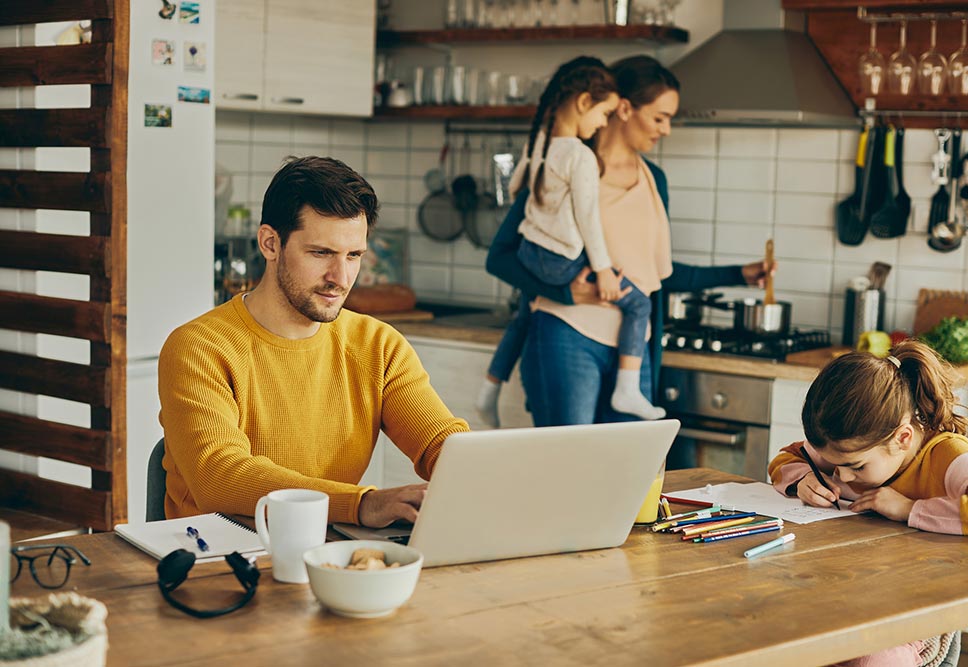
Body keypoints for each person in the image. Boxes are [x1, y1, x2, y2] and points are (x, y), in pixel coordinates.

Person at [158, 156, 468, 527]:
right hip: (217, 560)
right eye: (321, 253)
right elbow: (219, 475)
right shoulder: (198, 348)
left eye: (354, 255)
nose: (341, 277)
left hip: (327, 552)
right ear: (271, 244)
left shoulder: (378, 345)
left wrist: (484, 471)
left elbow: (440, 443)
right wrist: (360, 504)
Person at [484, 55, 772, 430]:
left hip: (632, 355)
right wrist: (567, 292)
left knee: (627, 478)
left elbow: (653, 274)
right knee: (569, 472)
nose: (666, 129)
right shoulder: (566, 165)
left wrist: (740, 274)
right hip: (565, 338)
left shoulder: (655, 180)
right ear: (623, 108)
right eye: (659, 117)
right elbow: (501, 257)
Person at [768, 340, 968, 667]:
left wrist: (909, 509)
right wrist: (801, 479)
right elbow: (787, 457)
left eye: (856, 467)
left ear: (902, 438)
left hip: (914, 612)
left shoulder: (947, 456)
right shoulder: (848, 449)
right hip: (845, 592)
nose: (843, 477)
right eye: (835, 466)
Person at [477, 56, 664, 427]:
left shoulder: (543, 146)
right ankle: (627, 388)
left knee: (523, 313)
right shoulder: (580, 156)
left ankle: (490, 386)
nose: (602, 122)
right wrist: (602, 271)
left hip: (536, 251)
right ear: (589, 103)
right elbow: (587, 221)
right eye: (660, 117)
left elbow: (518, 186)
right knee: (636, 303)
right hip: (565, 275)